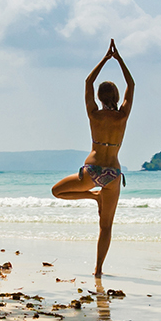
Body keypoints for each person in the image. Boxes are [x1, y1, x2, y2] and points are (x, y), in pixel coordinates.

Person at [50, 39, 134, 278]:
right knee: (106, 226)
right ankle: (98, 270)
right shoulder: (123, 116)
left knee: (57, 191)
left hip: (92, 170)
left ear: (98, 96)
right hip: (113, 175)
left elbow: (88, 81)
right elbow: (131, 83)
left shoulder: (93, 114)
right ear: (117, 96)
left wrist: (105, 59)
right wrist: (119, 60)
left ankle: (91, 196)